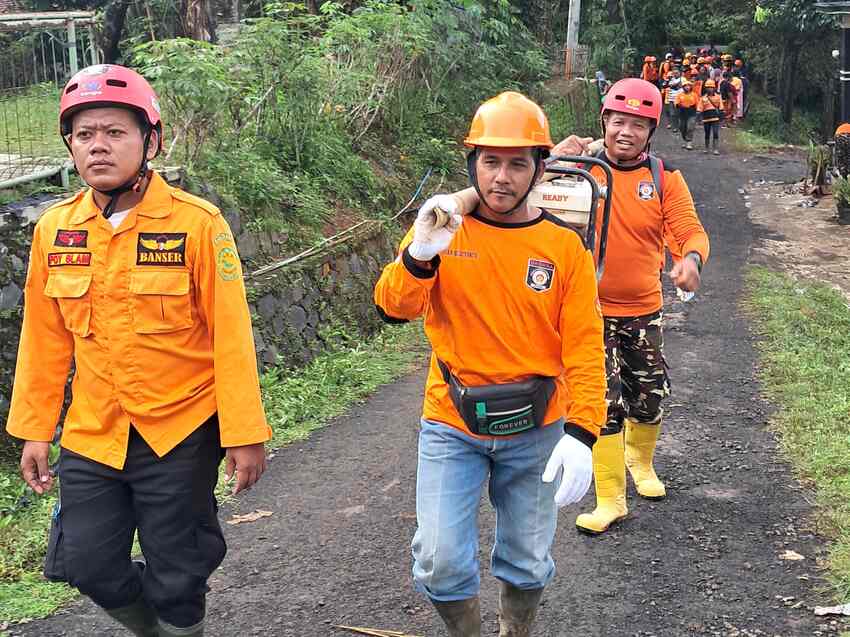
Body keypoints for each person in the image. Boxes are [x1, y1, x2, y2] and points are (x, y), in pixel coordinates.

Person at [5, 64, 271, 636]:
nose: (98, 145)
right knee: (85, 561)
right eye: (84, 134)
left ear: (150, 140)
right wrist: (34, 428)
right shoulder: (55, 230)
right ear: (71, 146)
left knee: (179, 573)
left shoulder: (196, 225)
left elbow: (231, 335)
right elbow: (45, 338)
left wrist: (244, 433)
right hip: (93, 431)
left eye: (115, 132)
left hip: (179, 429)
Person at [432, 79, 710, 537]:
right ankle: (611, 498)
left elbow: (688, 229)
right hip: (585, 309)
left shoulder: (664, 178)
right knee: (602, 401)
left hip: (642, 308)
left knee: (649, 396)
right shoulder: (578, 167)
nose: (626, 132)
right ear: (604, 121)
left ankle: (640, 462)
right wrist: (556, 157)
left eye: (638, 125)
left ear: (652, 130)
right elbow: (520, 188)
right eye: (618, 121)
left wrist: (691, 260)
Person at [374, 91, 607, 636]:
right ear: (473, 163)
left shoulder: (562, 247)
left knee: (528, 560)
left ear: (539, 169)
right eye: (490, 161)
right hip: (452, 422)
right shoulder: (444, 225)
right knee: (439, 560)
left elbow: (583, 347)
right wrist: (420, 253)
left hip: (537, 425)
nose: (502, 177)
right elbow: (391, 308)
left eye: (517, 163)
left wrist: (583, 432)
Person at [698, 80, 724, 155]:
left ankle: (715, 149)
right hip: (706, 118)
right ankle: (706, 148)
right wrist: (699, 114)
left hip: (715, 117)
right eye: (708, 87)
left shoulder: (718, 97)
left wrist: (721, 114)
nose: (710, 89)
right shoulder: (703, 98)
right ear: (706, 88)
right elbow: (700, 108)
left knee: (715, 133)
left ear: (714, 88)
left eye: (711, 87)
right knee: (707, 133)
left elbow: (721, 106)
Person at [675, 80, 699, 150]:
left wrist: (698, 111)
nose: (687, 87)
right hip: (682, 113)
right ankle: (684, 139)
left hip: (691, 113)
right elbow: (676, 103)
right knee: (682, 127)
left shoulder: (694, 95)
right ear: (683, 87)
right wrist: (679, 105)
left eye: (688, 86)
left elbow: (697, 104)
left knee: (690, 127)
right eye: (685, 86)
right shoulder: (680, 95)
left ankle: (689, 142)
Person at [664, 67, 684, 134]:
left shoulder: (683, 79)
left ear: (680, 73)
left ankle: (681, 126)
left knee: (679, 113)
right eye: (674, 73)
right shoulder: (670, 79)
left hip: (680, 99)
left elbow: (685, 86)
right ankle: (675, 127)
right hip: (671, 98)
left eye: (677, 73)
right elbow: (666, 85)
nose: (675, 74)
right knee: (672, 114)